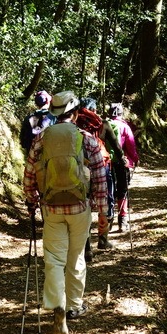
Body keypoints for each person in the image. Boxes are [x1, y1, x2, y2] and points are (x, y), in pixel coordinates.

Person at [23, 91, 109, 334]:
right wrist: (102, 211)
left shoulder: (41, 139)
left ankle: (57, 307)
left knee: (54, 259)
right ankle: (74, 305)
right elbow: (100, 177)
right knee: (76, 257)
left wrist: (31, 200)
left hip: (51, 208)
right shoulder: (87, 140)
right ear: (76, 113)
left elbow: (29, 173)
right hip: (80, 208)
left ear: (54, 112)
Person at [76, 97, 124, 255]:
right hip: (102, 166)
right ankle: (103, 240)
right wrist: (122, 160)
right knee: (105, 202)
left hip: (80, 169)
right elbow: (116, 147)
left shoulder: (74, 123)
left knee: (85, 206)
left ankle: (86, 247)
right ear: (94, 109)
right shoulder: (102, 124)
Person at [107, 103, 138, 232]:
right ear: (121, 113)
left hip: (106, 163)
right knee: (122, 190)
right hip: (121, 162)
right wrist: (135, 159)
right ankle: (123, 221)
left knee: (108, 191)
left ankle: (108, 220)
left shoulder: (103, 125)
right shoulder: (125, 127)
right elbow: (130, 146)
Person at [19, 90, 56, 155]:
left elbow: (23, 142)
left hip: (31, 155)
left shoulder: (28, 118)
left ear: (36, 104)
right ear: (48, 102)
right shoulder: (53, 119)